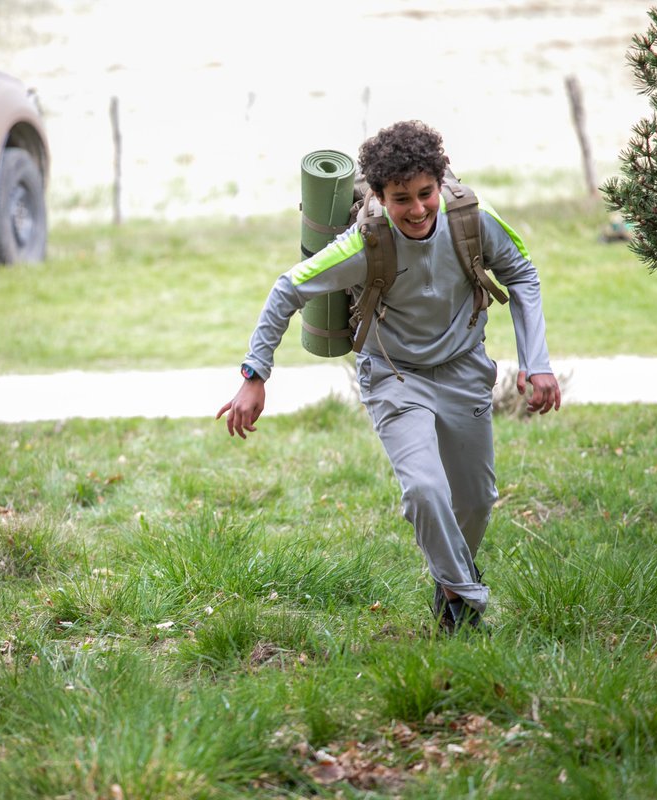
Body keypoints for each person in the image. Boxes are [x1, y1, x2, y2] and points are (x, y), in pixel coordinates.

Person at [216, 120, 561, 632]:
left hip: (464, 369)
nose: (418, 209)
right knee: (424, 491)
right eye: (402, 199)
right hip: (395, 377)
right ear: (380, 196)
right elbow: (288, 289)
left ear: (441, 184)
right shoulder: (365, 243)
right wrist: (255, 373)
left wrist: (537, 362)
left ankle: (450, 587)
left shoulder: (472, 220)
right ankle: (465, 598)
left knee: (475, 500)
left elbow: (522, 271)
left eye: (426, 194)